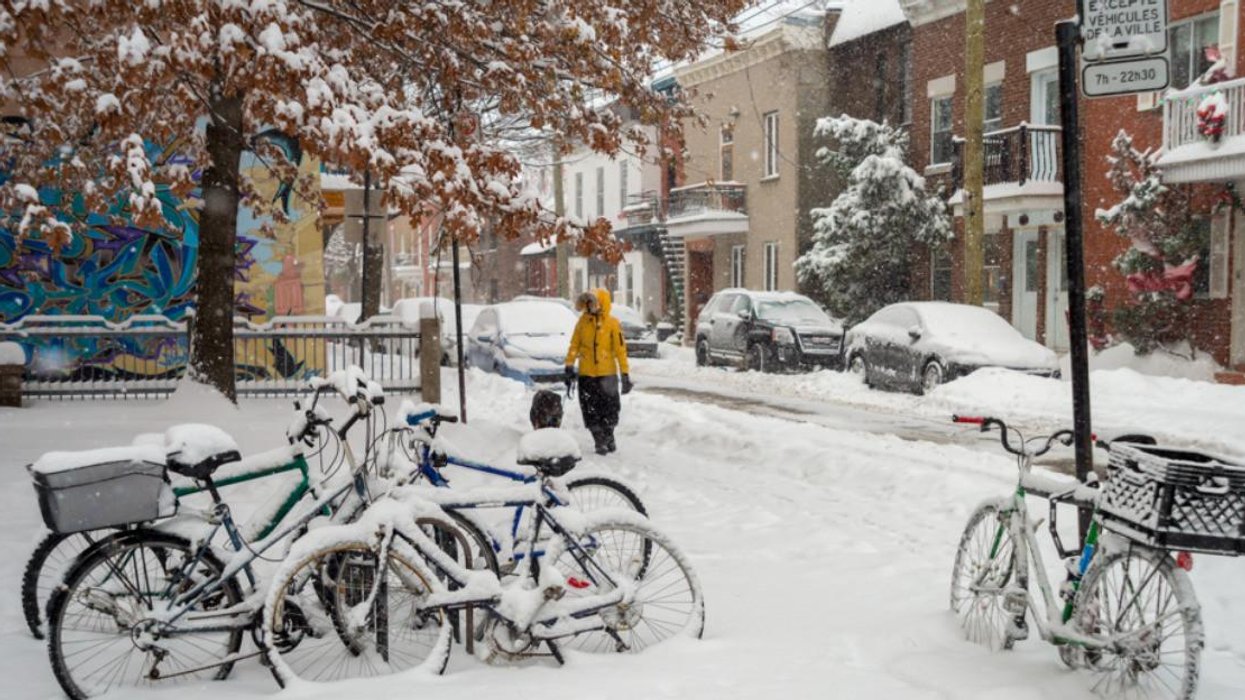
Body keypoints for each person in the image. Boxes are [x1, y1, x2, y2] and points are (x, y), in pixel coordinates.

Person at [564, 288, 632, 455]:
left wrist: (624, 373)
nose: (589, 306)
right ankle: (598, 439)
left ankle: (609, 434)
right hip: (587, 375)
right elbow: (574, 345)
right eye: (587, 303)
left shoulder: (612, 323)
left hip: (607, 375)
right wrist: (569, 365)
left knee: (610, 408)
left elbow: (620, 350)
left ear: (601, 303)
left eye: (592, 302)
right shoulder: (582, 323)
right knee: (590, 409)